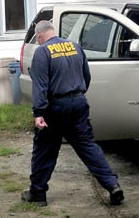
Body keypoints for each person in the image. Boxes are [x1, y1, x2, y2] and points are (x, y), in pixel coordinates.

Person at [22, 20, 124, 207]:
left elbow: (41, 86)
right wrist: (77, 96)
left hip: (55, 108)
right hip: (78, 103)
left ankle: (37, 193)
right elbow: (87, 76)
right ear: (53, 32)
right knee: (88, 147)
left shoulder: (42, 52)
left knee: (45, 151)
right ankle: (112, 185)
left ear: (39, 36)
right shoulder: (75, 46)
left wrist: (39, 113)